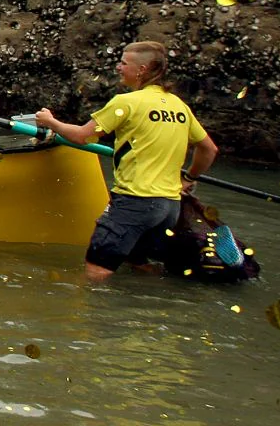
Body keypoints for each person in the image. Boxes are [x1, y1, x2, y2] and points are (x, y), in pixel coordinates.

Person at [35, 42, 220, 282]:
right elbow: (209, 149)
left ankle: (92, 315)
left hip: (135, 202)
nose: (118, 67)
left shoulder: (127, 103)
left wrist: (50, 121)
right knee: (139, 263)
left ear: (141, 69)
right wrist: (190, 178)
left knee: (97, 269)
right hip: (168, 208)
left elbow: (82, 136)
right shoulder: (178, 106)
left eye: (123, 63)